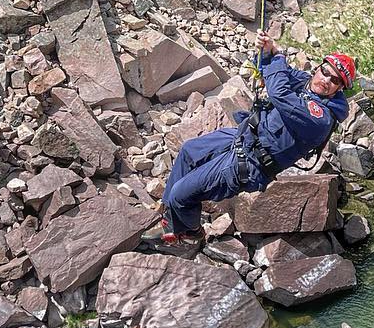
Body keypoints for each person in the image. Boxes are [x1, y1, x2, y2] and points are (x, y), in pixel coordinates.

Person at [150, 31, 355, 244]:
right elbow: (274, 72)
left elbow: (279, 92)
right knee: (189, 151)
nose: (325, 80)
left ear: (339, 88)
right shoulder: (306, 83)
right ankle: (170, 219)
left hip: (250, 163)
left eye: (335, 80)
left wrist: (279, 55)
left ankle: (190, 233)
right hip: (245, 136)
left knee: (180, 194)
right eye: (325, 72)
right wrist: (266, 53)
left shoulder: (320, 118)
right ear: (318, 68)